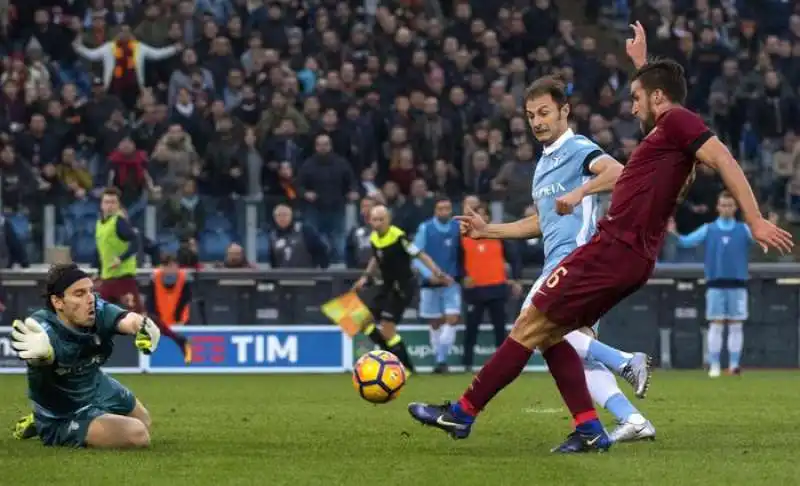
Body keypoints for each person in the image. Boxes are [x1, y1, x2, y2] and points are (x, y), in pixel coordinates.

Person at [406, 22, 793, 453]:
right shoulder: (665, 131)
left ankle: (463, 411)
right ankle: (590, 427)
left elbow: (721, 157)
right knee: (549, 332)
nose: (630, 109)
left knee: (531, 325)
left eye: (635, 98)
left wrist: (754, 219)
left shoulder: (676, 121)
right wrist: (642, 66)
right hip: (622, 253)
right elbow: (655, 117)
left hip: (611, 249)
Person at [11, 263, 161, 448]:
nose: (90, 299)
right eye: (79, 294)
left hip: (94, 383)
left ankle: (84, 415)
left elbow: (126, 320)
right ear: (58, 302)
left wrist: (142, 325)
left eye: (91, 291)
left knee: (145, 421)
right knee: (137, 435)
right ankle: (46, 425)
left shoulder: (96, 308)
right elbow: (37, 352)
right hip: (63, 410)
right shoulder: (41, 329)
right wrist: (43, 357)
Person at [352, 205, 453, 373]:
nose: (377, 223)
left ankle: (406, 368)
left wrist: (436, 270)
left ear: (388, 220)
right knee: (361, 319)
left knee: (387, 327)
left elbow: (419, 254)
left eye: (381, 219)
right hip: (386, 285)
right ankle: (395, 360)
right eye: (374, 220)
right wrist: (365, 276)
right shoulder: (374, 238)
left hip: (402, 287)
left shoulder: (399, 237)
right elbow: (376, 258)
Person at [95, 187, 191, 360]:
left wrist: (121, 259)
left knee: (142, 319)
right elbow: (103, 252)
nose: (109, 206)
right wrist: (98, 271)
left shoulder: (119, 223)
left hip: (123, 280)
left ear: (118, 205)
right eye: (106, 202)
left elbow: (135, 242)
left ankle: (179, 340)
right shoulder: (100, 224)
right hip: (108, 280)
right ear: (101, 204)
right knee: (93, 314)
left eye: (113, 202)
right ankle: (93, 355)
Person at [669, 191, 752, 377]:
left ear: (735, 207)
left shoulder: (744, 229)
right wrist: (672, 231)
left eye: (730, 205)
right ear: (718, 207)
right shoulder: (709, 229)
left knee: (736, 324)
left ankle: (733, 366)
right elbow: (685, 242)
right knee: (716, 323)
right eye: (723, 205)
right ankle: (714, 365)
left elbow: (760, 239)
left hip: (738, 283)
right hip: (715, 283)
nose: (726, 208)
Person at [459, 202, 522, 372]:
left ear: (487, 217)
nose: (482, 217)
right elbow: (456, 262)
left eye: (484, 214)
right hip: (474, 291)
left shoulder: (498, 235)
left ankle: (503, 365)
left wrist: (516, 279)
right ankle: (466, 364)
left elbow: (514, 257)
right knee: (471, 330)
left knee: (500, 331)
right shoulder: (464, 237)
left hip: (496, 289)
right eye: (477, 214)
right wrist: (462, 277)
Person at [413, 197, 462, 373]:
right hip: (430, 283)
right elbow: (416, 255)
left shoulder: (458, 228)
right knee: (435, 322)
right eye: (440, 208)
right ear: (435, 210)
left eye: (447, 208)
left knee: (452, 319)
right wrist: (429, 275)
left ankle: (441, 359)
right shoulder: (425, 228)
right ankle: (439, 360)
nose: (444, 212)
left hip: (451, 282)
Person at [145, 255, 193, 364]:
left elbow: (187, 305)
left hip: (180, 324)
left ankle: (187, 354)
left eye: (172, 266)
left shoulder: (185, 280)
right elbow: (150, 305)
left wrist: (182, 322)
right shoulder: (154, 280)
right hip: (159, 325)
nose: (170, 269)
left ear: (177, 266)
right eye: (167, 266)